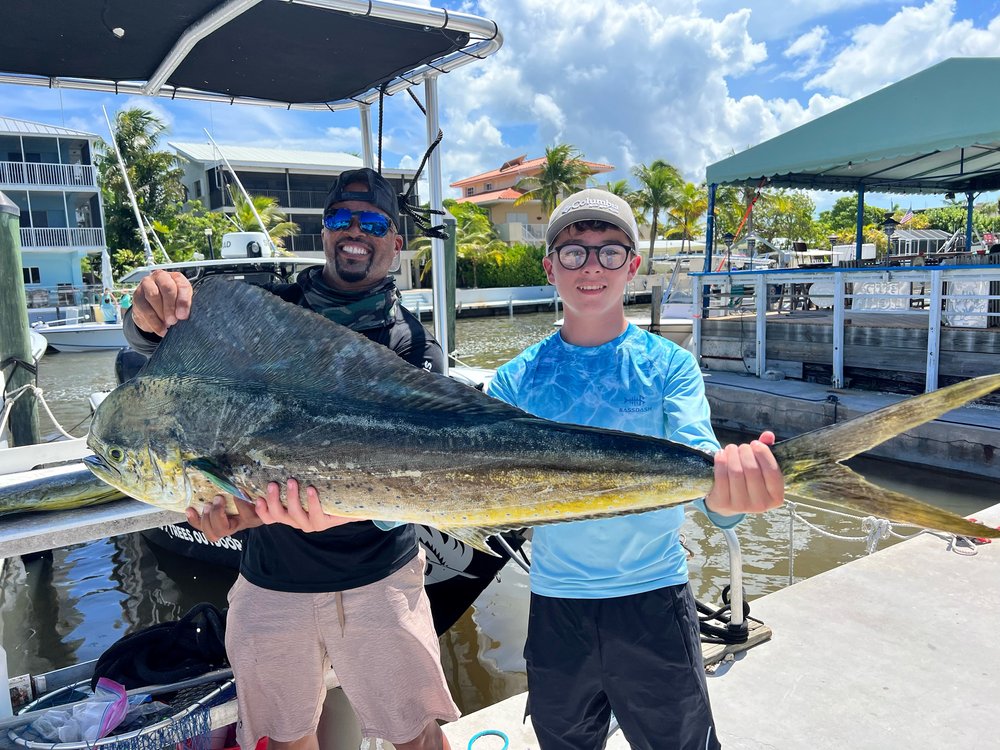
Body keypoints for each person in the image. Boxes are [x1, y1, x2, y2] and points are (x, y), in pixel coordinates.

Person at [122, 168, 459, 750]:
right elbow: (161, 342)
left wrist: (267, 510)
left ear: (396, 243)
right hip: (271, 580)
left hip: (380, 578)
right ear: (324, 233)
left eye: (373, 221)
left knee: (416, 737)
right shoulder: (268, 311)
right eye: (340, 219)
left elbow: (414, 470)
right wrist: (147, 315)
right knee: (280, 740)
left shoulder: (412, 345)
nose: (355, 231)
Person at [487, 188, 785, 750]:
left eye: (609, 251)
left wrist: (733, 495)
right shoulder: (512, 382)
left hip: (654, 600)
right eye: (574, 252)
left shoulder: (669, 365)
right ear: (551, 267)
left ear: (633, 266)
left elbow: (702, 476)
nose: (591, 266)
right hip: (556, 606)